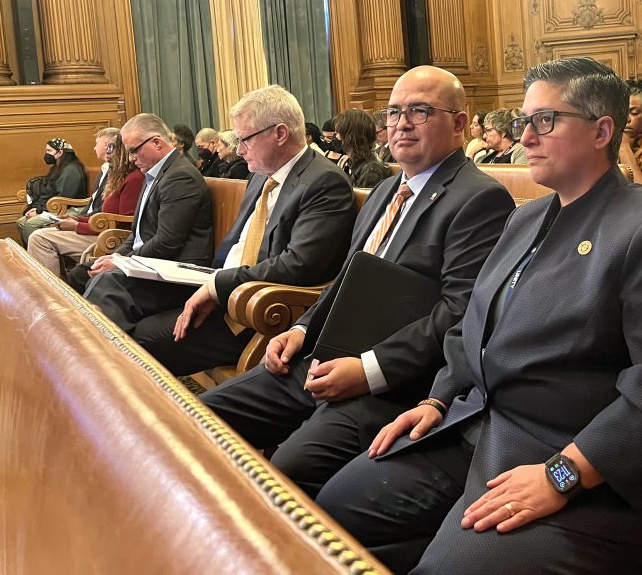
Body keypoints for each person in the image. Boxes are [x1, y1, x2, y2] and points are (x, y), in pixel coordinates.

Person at [314, 57, 642, 575]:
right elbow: (475, 326)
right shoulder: (527, 216)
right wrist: (439, 397)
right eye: (522, 122)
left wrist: (565, 474)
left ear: (602, 130)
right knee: (329, 516)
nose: (526, 137)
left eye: (545, 121)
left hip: (585, 472)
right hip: (482, 429)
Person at [200, 65, 515, 499]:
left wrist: (369, 370)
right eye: (393, 112)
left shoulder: (479, 198)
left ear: (459, 123)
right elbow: (347, 279)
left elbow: (459, 311)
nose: (401, 123)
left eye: (420, 111)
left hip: (393, 381)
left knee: (289, 469)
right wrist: (301, 328)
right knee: (202, 418)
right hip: (322, 357)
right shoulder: (386, 191)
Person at [132, 85, 357, 375]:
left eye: (245, 140)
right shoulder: (259, 176)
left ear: (280, 133)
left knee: (137, 341)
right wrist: (208, 283)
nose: (239, 150)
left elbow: (298, 265)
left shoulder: (324, 182)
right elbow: (235, 244)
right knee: (123, 312)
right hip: (223, 295)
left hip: (259, 313)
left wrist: (217, 287)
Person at [82, 114, 214, 333]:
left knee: (107, 285)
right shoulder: (155, 173)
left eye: (133, 150)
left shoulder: (180, 176)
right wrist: (118, 257)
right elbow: (137, 234)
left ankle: (114, 358)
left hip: (178, 273)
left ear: (157, 142)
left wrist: (123, 262)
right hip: (155, 264)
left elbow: (167, 242)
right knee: (86, 271)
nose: (131, 158)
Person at [27, 128, 137, 276]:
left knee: (39, 239)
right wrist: (76, 219)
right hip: (99, 229)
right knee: (42, 233)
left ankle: (53, 294)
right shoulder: (118, 176)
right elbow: (104, 214)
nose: (108, 158)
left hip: (110, 237)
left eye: (111, 151)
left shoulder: (134, 178)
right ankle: (57, 286)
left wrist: (78, 225)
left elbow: (124, 223)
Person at [17, 137, 87, 245]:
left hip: (70, 209)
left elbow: (64, 198)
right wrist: (36, 208)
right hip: (54, 207)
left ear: (60, 152)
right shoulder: (58, 167)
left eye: (49, 151)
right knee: (21, 222)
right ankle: (31, 255)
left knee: (31, 224)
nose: (47, 154)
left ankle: (39, 255)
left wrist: (39, 211)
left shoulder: (71, 170)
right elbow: (50, 193)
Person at [336, 109, 391, 188]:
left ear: (350, 137)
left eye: (339, 134)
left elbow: (364, 200)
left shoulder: (371, 170)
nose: (337, 138)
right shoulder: (352, 162)